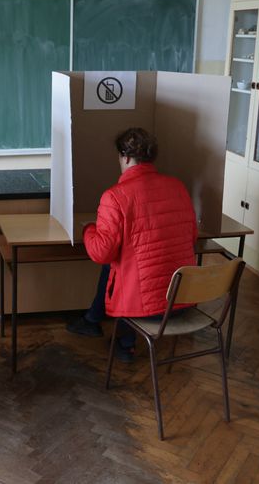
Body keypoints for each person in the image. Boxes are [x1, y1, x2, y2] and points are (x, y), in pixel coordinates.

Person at [68, 127, 197, 361]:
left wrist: (88, 229)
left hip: (145, 308)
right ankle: (93, 320)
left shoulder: (115, 196)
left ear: (125, 157)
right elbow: (191, 237)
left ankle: (125, 343)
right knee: (121, 262)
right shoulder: (178, 187)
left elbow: (100, 252)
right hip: (183, 300)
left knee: (117, 264)